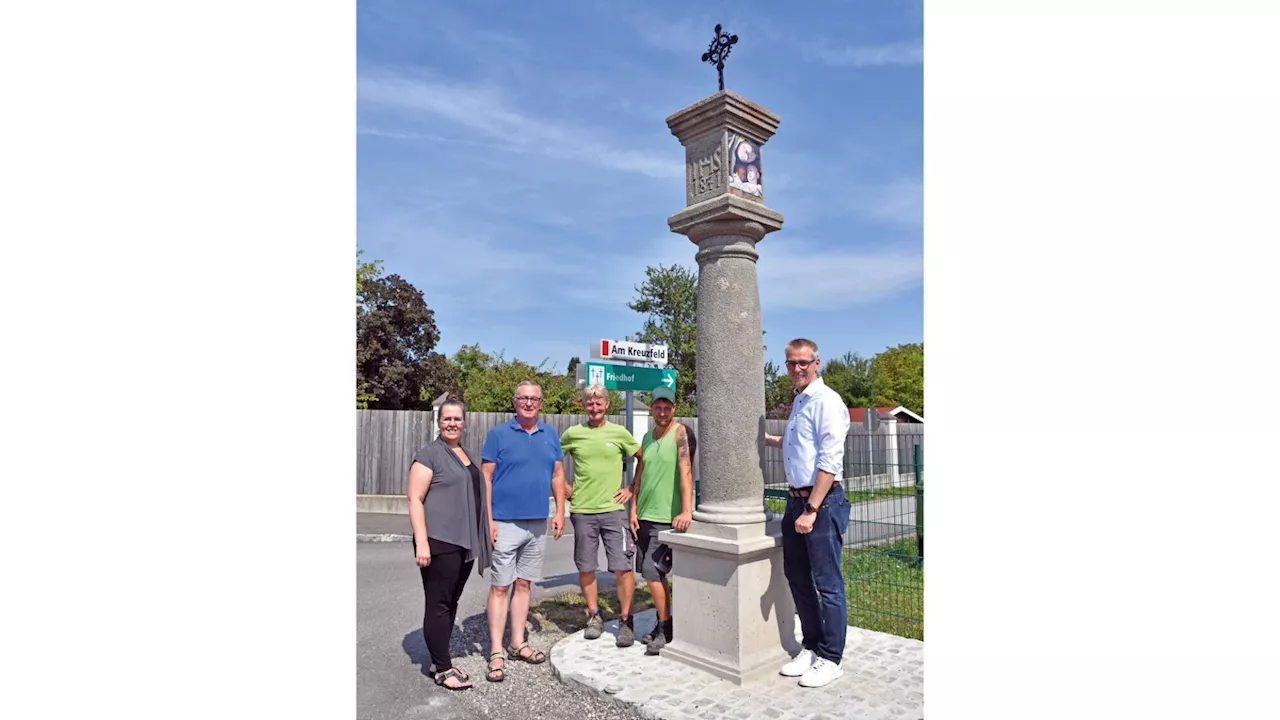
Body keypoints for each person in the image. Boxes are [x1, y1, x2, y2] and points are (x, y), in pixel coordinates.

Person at [763, 338, 852, 689]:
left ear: (817, 362)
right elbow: (803, 446)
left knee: (827, 583)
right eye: (790, 363)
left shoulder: (827, 402)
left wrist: (812, 508)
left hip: (821, 501)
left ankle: (831, 657)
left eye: (803, 362)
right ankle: (812, 646)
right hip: (796, 501)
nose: (797, 368)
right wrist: (772, 439)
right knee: (797, 577)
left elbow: (830, 461)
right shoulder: (801, 401)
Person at [480, 381, 567, 682]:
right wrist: (488, 520)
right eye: (523, 398)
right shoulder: (498, 435)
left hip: (536, 523)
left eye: (534, 399)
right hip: (504, 522)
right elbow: (486, 479)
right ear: (514, 401)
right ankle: (495, 651)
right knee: (500, 586)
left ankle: (517, 643)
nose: (529, 403)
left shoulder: (550, 434)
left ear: (541, 403)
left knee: (524, 585)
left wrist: (560, 510)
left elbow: (557, 474)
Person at [406, 397, 491, 692]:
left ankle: (438, 659)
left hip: (462, 542)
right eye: (447, 419)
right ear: (438, 422)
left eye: (457, 419)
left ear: (464, 422)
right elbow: (415, 499)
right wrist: (422, 543)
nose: (452, 423)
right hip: (439, 540)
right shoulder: (428, 455)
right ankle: (442, 669)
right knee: (439, 603)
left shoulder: (464, 454)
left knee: (451, 601)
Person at [559, 384, 643, 646]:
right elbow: (552, 462)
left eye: (598, 403)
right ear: (583, 406)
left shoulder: (619, 432)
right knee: (586, 566)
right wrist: (563, 487)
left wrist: (631, 489)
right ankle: (594, 615)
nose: (594, 408)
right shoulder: (573, 433)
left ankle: (626, 619)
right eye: (589, 403)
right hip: (583, 510)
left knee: (622, 567)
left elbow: (642, 458)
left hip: (614, 511)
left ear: (606, 404)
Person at [628, 386, 694, 656]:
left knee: (652, 573)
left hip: (666, 518)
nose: (662, 411)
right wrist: (632, 508)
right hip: (643, 515)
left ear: (674, 408)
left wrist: (687, 510)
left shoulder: (680, 434)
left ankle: (666, 628)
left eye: (667, 407)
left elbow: (685, 470)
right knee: (651, 575)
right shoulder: (646, 437)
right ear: (652, 408)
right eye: (658, 407)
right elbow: (639, 475)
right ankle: (661, 622)